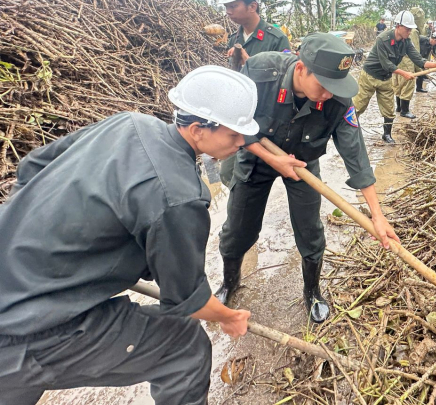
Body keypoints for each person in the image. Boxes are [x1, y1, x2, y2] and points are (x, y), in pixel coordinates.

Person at [0, 66, 257, 405]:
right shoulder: (178, 196)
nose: (243, 143)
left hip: (12, 282)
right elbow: (186, 299)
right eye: (234, 135)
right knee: (184, 345)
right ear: (197, 130)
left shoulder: (128, 124)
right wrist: (229, 317)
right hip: (26, 330)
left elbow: (31, 167)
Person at [215, 34, 400, 324]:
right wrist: (273, 159)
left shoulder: (338, 97)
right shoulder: (261, 73)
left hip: (302, 162)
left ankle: (312, 291)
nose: (328, 94)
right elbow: (233, 124)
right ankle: (229, 282)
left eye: (334, 88)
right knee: (239, 229)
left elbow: (357, 156)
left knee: (310, 229)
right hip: (258, 157)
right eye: (323, 86)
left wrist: (377, 215)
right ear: (301, 69)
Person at [219, 0, 291, 187]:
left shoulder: (276, 39)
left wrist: (251, 63)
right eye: (226, 7)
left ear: (253, 6)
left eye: (233, 6)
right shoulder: (234, 39)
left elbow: (288, 82)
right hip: (242, 115)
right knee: (228, 172)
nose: (228, 12)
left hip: (269, 118)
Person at [353, 11, 436, 144]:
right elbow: (386, 63)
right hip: (370, 77)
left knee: (389, 109)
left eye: (410, 29)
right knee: (358, 106)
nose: (409, 32)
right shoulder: (383, 39)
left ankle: (386, 135)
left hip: (385, 78)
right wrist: (404, 73)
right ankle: (349, 132)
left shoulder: (406, 42)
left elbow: (419, 60)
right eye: (407, 29)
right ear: (398, 26)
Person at [392, 7, 426, 119]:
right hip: (407, 62)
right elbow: (415, 51)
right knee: (407, 85)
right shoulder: (413, 31)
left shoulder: (396, 30)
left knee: (397, 84)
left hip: (397, 61)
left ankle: (398, 107)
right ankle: (405, 110)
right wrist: (419, 69)